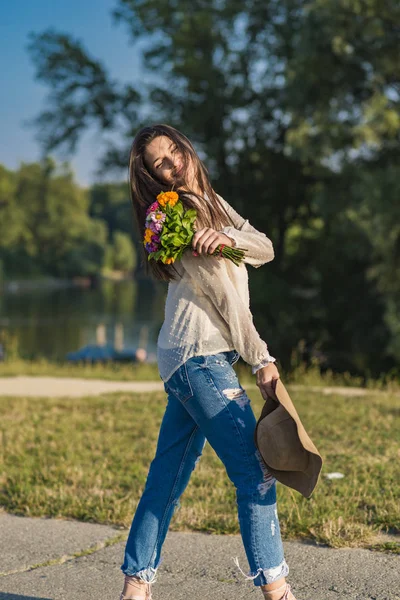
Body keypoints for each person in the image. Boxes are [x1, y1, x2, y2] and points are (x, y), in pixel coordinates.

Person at [119, 123, 297, 600]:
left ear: (185, 147)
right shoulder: (185, 212)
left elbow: (265, 247)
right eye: (161, 163)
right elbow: (225, 297)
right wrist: (260, 359)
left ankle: (135, 588)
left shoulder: (209, 202)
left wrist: (227, 238)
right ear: (156, 177)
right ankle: (278, 592)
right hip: (200, 360)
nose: (173, 162)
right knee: (255, 473)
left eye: (173, 150)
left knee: (168, 475)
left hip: (182, 359)